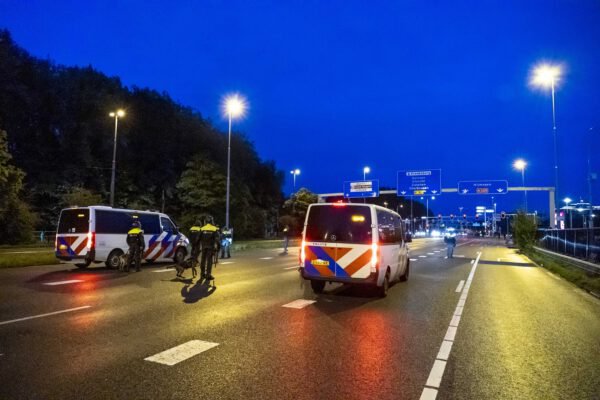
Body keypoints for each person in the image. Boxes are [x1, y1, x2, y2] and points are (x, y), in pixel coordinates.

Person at [199, 215, 219, 280]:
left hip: (203, 247)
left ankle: (202, 274)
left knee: (203, 260)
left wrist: (199, 246)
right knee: (209, 261)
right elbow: (217, 239)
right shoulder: (214, 228)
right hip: (210, 247)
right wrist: (217, 248)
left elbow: (198, 238)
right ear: (211, 221)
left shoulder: (202, 228)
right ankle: (208, 275)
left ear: (205, 221)